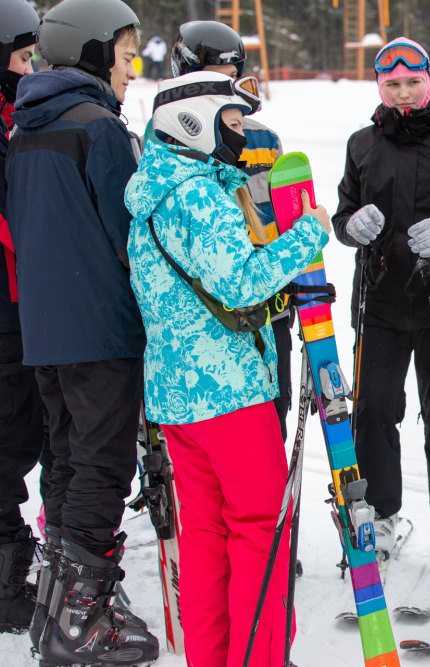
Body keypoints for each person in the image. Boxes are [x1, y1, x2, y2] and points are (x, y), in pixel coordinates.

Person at [126, 71, 331, 666]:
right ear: (197, 119)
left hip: (177, 399)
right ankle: (260, 659)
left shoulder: (154, 188)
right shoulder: (194, 194)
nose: (241, 136)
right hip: (228, 394)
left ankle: (213, 657)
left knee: (209, 535)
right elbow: (240, 282)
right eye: (233, 123)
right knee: (261, 531)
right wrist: (305, 236)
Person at [4, 0, 160, 662]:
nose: (131, 71)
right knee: (101, 464)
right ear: (95, 54)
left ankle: (55, 607)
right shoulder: (98, 128)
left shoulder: (25, 130)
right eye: (125, 57)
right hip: (99, 330)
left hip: (43, 335)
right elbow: (133, 235)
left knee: (68, 461)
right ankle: (80, 615)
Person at [332, 37, 430, 565]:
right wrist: (352, 225)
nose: (404, 93)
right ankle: (382, 512)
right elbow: (342, 215)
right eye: (392, 85)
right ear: (380, 87)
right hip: (380, 302)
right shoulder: (362, 144)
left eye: (413, 82)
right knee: (373, 410)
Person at [168, 20, 299, 442]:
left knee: (270, 415)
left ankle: (279, 505)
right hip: (201, 315)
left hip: (266, 304)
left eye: (228, 82)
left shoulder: (263, 140)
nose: (222, 95)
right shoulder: (169, 146)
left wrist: (297, 281)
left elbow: (285, 221)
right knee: (214, 427)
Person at [0, 0, 43, 636]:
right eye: (24, 57)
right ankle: (5, 581)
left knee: (22, 435)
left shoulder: (15, 118)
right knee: (7, 440)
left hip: (25, 307)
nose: (32, 68)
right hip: (7, 309)